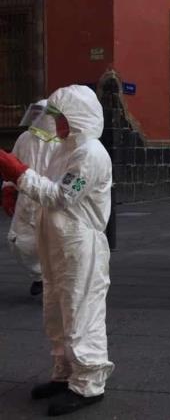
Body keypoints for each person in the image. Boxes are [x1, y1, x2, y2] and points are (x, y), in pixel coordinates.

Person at [0, 85, 114, 416]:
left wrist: (18, 175)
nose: (55, 125)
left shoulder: (90, 154)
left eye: (60, 118)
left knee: (81, 311)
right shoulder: (65, 149)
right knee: (57, 309)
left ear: (77, 118)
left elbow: (62, 197)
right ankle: (65, 375)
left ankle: (89, 383)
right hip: (59, 242)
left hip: (80, 245)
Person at [2, 100, 58, 296]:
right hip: (26, 200)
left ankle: (48, 279)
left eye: (38, 114)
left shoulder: (62, 143)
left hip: (49, 199)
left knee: (51, 243)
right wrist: (8, 189)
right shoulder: (24, 138)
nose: (35, 118)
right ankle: (39, 276)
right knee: (19, 242)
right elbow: (12, 162)